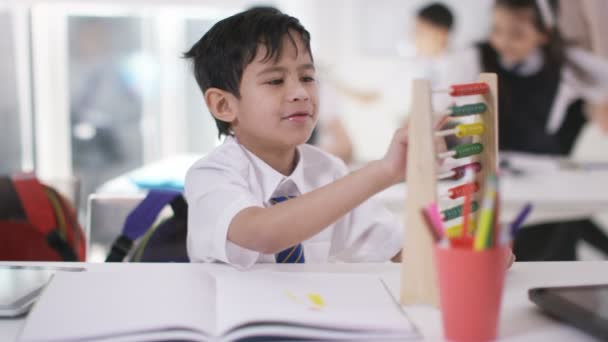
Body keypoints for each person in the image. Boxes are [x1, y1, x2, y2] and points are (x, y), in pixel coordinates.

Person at [182, 8, 409, 268]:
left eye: (307, 77)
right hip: (224, 308)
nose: (300, 92)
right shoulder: (211, 175)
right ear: (223, 105)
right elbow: (262, 233)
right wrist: (383, 172)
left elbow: (396, 247)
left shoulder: (328, 170)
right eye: (276, 80)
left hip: (310, 307)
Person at [437, 0, 608, 260]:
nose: (504, 41)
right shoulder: (473, 58)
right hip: (488, 170)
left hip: (543, 172)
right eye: (496, 30)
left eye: (517, 34)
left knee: (552, 239)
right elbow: (440, 109)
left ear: (544, 35)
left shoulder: (566, 65)